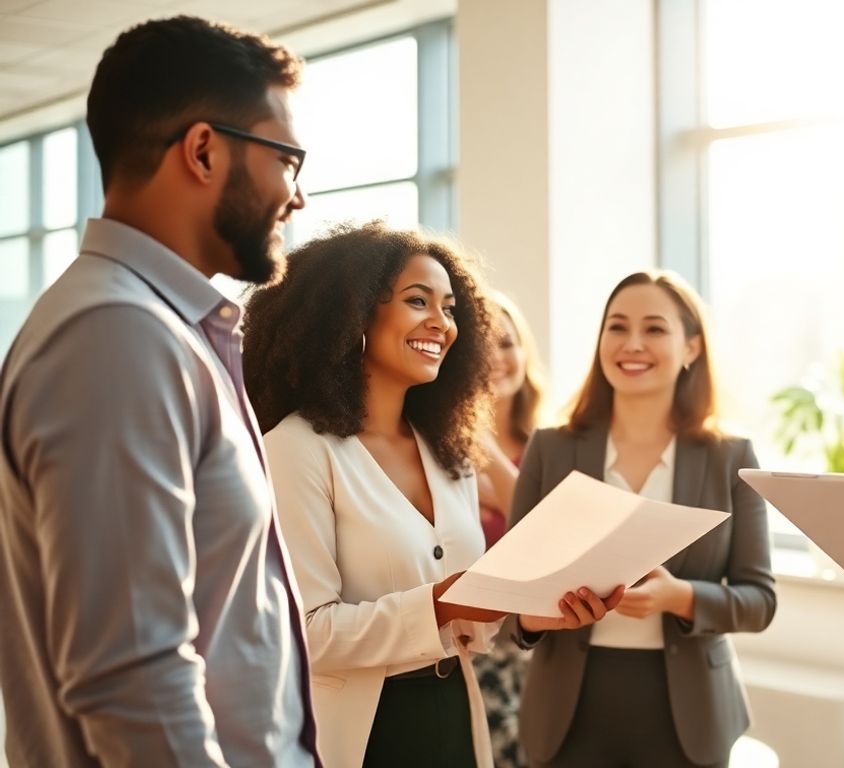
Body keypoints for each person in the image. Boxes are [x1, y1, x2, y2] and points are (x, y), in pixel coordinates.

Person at [0, 16, 318, 767]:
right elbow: (131, 675)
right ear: (203, 150)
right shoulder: (116, 334)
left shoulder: (160, 327)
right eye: (288, 159)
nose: (297, 196)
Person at [241, 222, 617, 768]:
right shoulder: (298, 449)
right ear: (355, 313)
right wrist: (443, 602)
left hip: (453, 717)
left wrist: (535, 617)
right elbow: (308, 634)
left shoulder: (450, 452)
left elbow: (475, 619)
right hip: (362, 735)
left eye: (450, 308)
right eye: (419, 302)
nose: (441, 324)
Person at [508, 270, 776, 768]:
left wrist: (679, 597)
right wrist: (530, 614)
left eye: (654, 328)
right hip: (568, 709)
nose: (633, 344)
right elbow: (507, 597)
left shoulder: (729, 457)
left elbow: (760, 601)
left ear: (691, 348)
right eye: (617, 326)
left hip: (688, 713)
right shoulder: (550, 448)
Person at [472, 291, 546, 768]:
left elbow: (536, 524)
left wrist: (484, 446)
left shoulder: (554, 444)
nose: (498, 359)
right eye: (481, 347)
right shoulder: (434, 452)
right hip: (473, 651)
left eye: (507, 342)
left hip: (542, 650)